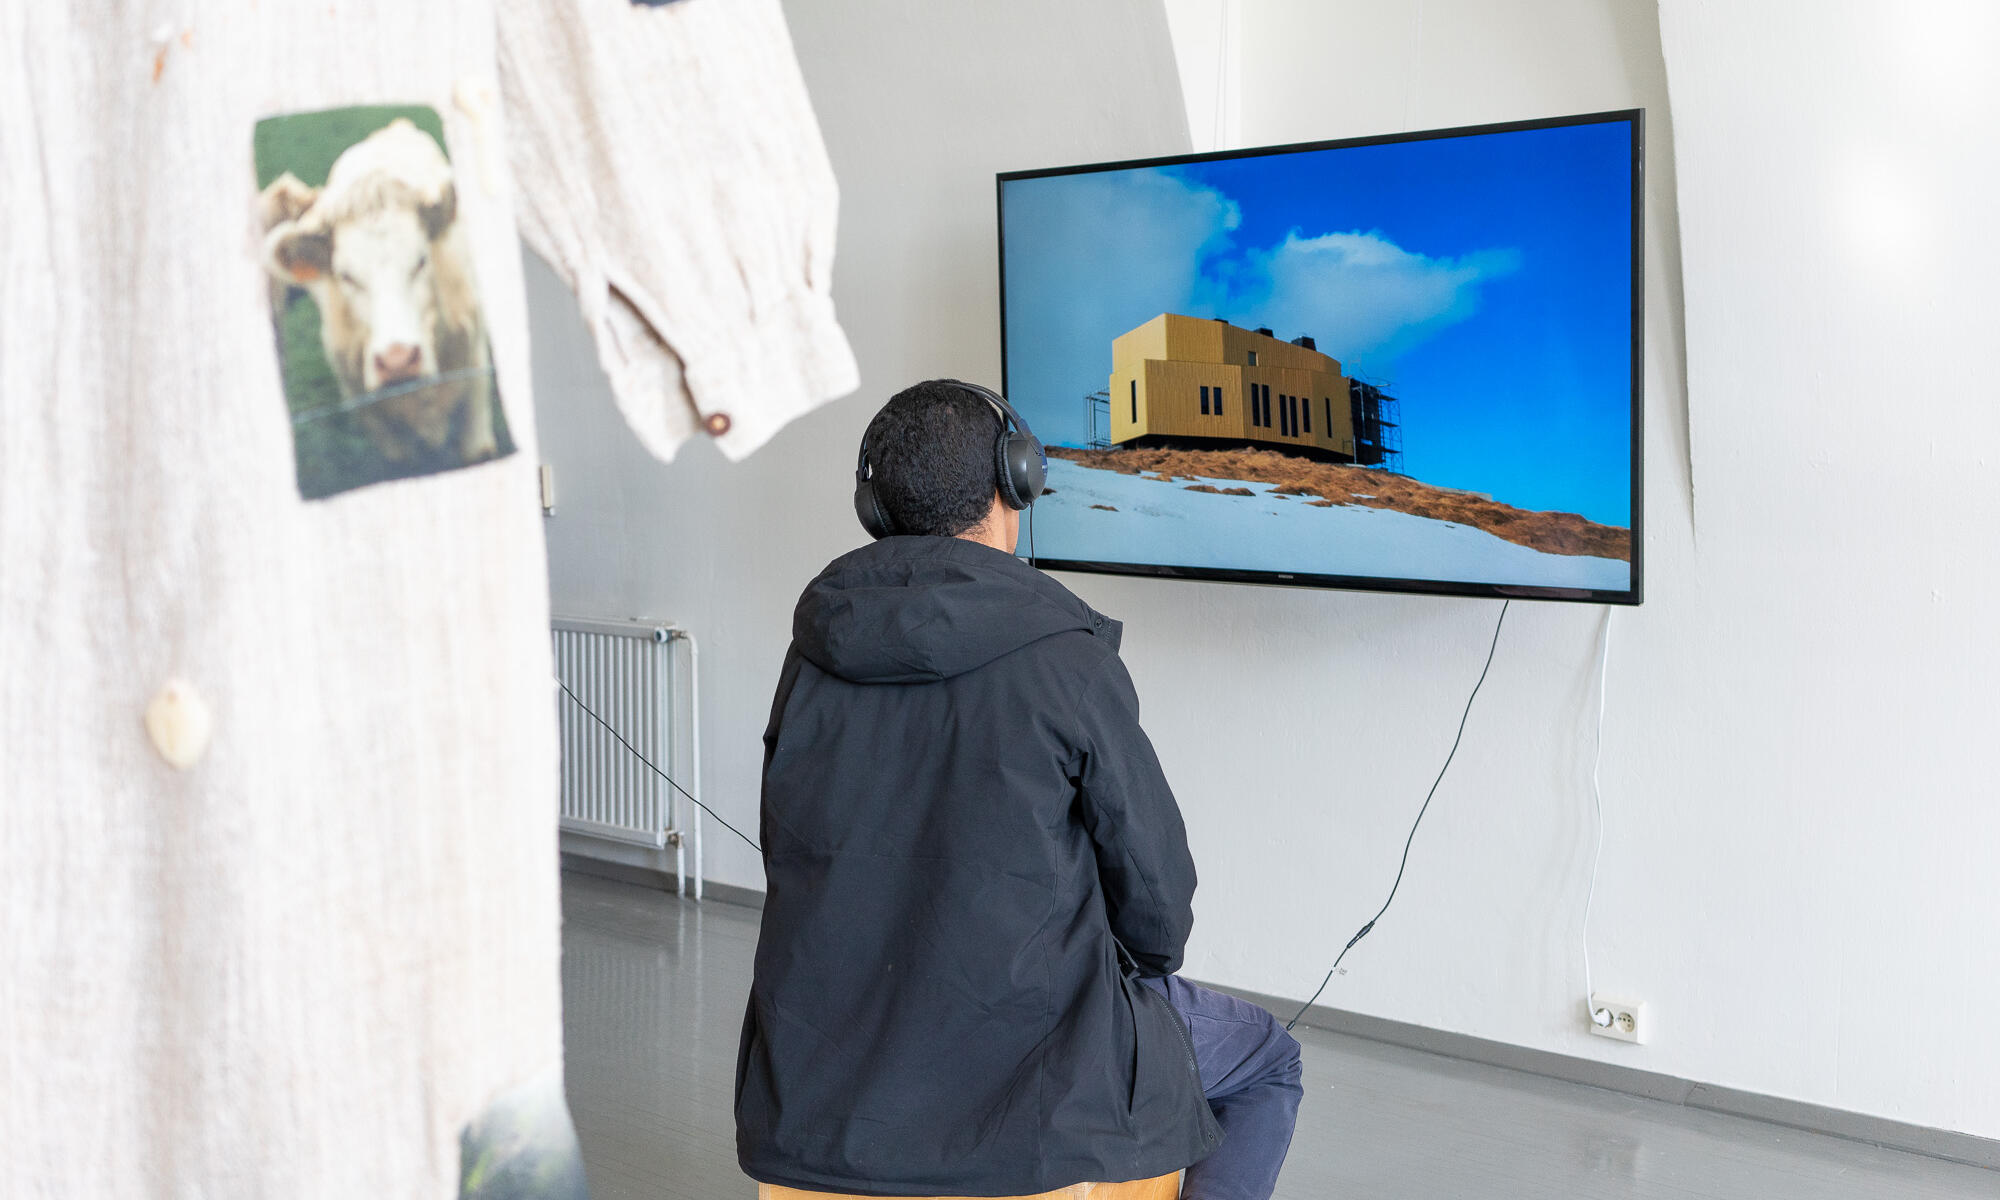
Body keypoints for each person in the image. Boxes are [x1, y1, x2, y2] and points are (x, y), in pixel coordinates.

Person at [735, 380, 1304, 1200]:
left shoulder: (814, 651)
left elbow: (790, 846)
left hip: (820, 1098)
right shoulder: (1064, 654)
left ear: (875, 505)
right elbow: (1158, 910)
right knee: (1265, 1061)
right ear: (1018, 480)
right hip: (1029, 1094)